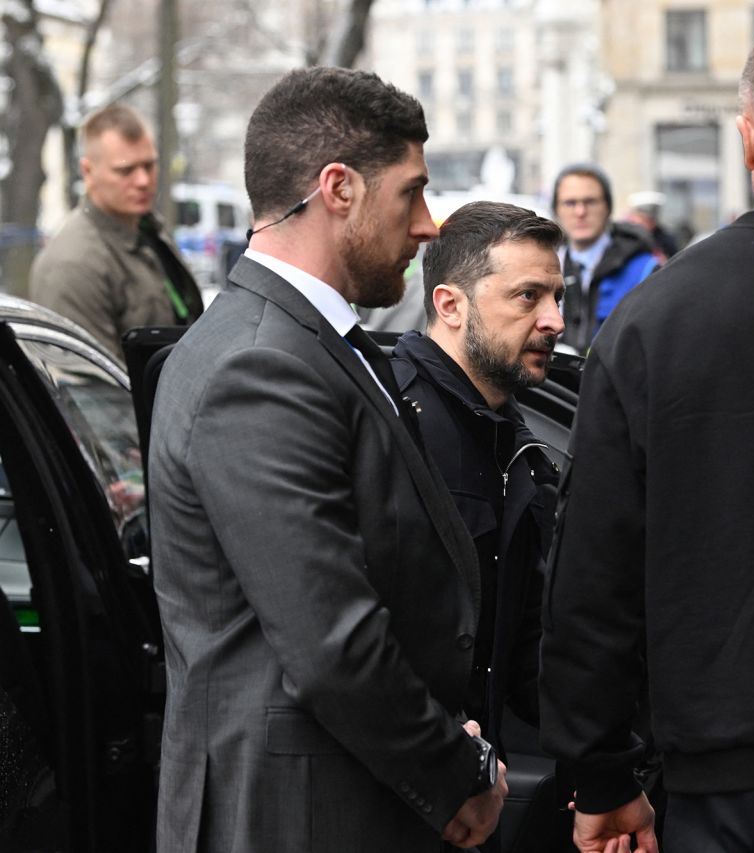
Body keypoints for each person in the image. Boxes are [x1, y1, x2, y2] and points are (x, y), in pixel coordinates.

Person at [539, 14, 754, 853]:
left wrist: (601, 772)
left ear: (749, 138)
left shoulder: (657, 317)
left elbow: (592, 566)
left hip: (727, 758)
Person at [148, 67, 507, 853]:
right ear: (338, 187)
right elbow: (333, 645)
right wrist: (457, 771)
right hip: (297, 814)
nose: (427, 224)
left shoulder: (296, 340)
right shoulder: (259, 363)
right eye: (410, 192)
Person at [390, 201, 563, 755]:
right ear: (450, 305)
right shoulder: (393, 424)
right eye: (528, 296)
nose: (554, 320)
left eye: (558, 297)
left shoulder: (515, 439)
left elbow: (521, 646)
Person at [30, 104, 203, 358]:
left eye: (149, 165)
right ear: (88, 172)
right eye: (126, 170)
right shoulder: (73, 263)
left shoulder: (150, 231)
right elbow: (87, 386)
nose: (143, 180)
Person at [550, 163, 659, 352]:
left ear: (608, 207)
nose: (580, 212)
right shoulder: (547, 266)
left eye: (590, 201)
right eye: (570, 203)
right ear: (556, 211)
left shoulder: (645, 271)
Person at [623, 191, 681, 259]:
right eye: (642, 218)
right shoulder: (624, 237)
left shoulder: (665, 239)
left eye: (649, 220)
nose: (646, 223)